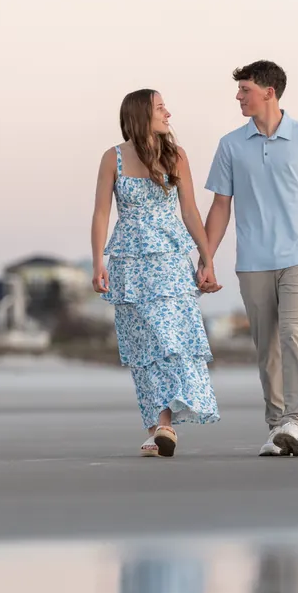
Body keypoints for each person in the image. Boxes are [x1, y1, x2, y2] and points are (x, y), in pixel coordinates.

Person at [203, 61, 298, 457]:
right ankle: (277, 425)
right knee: (266, 347)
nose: (239, 97)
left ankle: (295, 421)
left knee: (292, 334)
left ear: (269, 92)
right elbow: (220, 206)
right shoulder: (230, 145)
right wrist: (206, 258)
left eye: (245, 89)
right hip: (253, 261)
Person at [92, 89, 220, 457]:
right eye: (161, 107)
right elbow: (101, 213)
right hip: (129, 263)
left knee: (169, 341)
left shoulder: (175, 156)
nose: (168, 113)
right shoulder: (112, 157)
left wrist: (206, 257)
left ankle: (164, 424)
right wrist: (98, 261)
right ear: (140, 114)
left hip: (169, 260)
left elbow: (191, 211)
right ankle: (157, 428)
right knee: (143, 347)